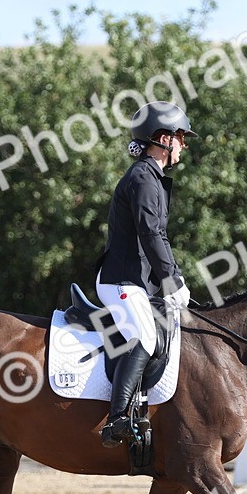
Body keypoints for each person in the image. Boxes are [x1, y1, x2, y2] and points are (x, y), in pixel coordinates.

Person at [94, 101, 195, 447]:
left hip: (137, 282)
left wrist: (174, 276)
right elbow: (151, 234)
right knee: (146, 336)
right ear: (164, 138)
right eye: (182, 136)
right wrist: (171, 281)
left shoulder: (151, 178)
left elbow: (159, 239)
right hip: (121, 281)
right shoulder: (142, 178)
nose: (185, 143)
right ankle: (117, 418)